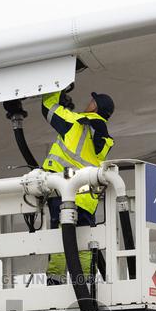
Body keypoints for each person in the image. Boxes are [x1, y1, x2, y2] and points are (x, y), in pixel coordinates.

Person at [41, 89, 115, 281]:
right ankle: (87, 287)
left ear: (94, 106)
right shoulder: (105, 137)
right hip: (87, 200)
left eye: (92, 100)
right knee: (83, 244)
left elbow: (48, 107)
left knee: (61, 241)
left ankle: (55, 282)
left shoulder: (75, 122)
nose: (88, 102)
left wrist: (58, 88)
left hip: (63, 192)